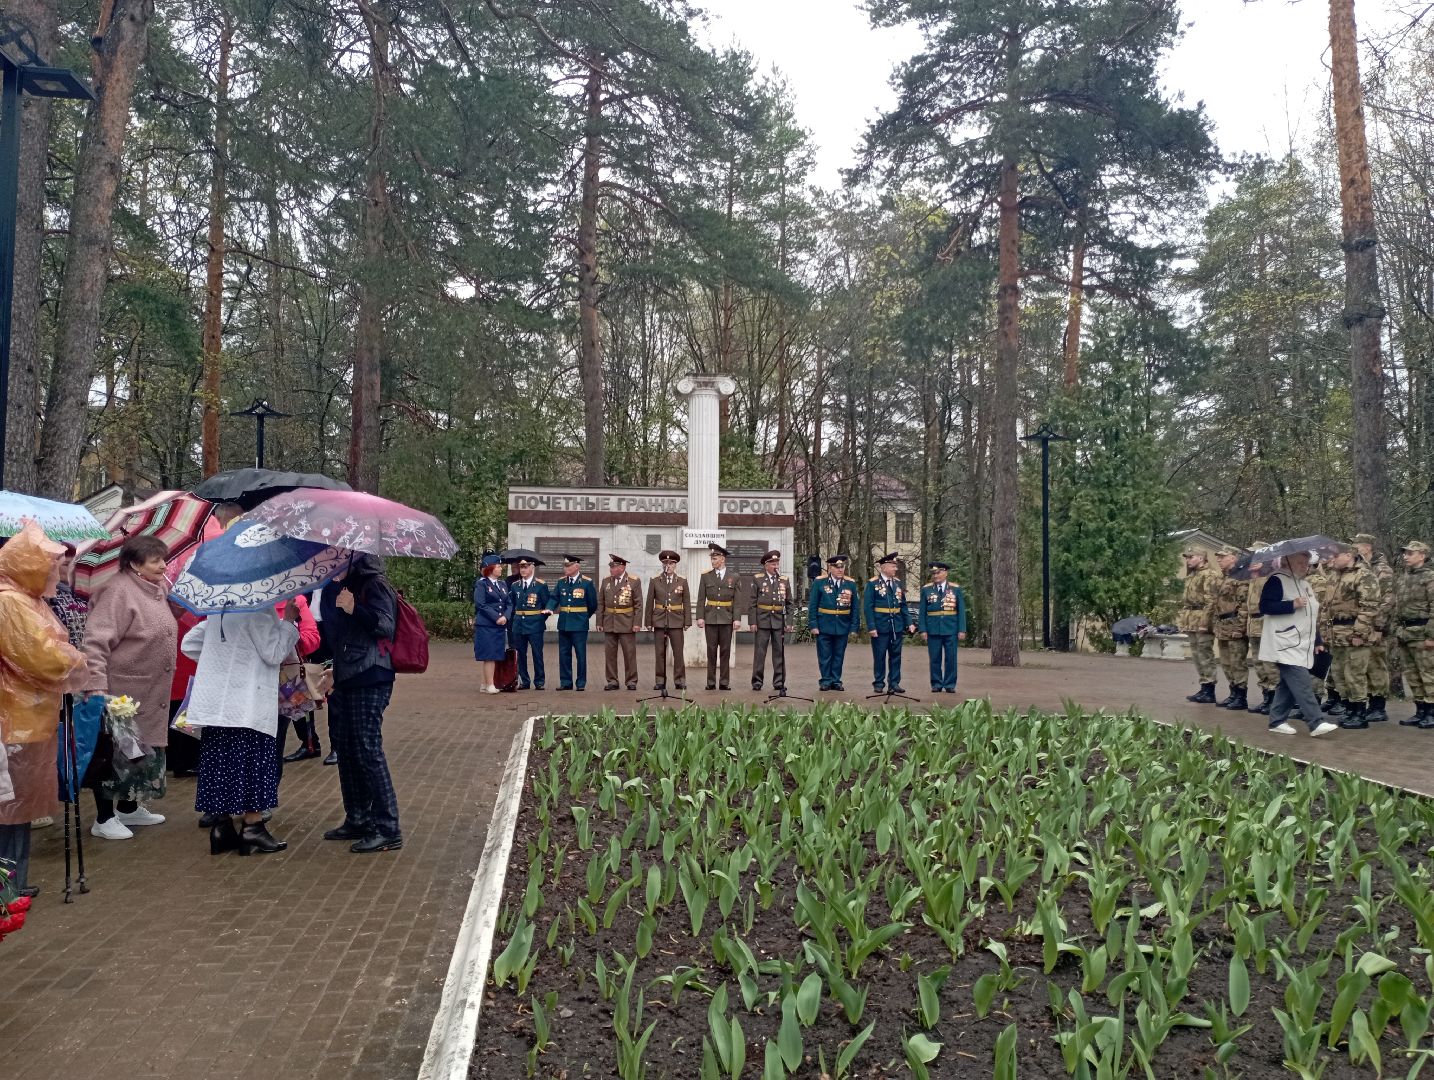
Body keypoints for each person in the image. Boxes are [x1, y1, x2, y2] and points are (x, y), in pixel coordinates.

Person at [0, 523, 85, 897]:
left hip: (27, 715)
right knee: (9, 806)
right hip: (14, 718)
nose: (56, 571)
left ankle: (14, 881)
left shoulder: (25, 598)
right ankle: (7, 885)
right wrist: (74, 659)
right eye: (50, 564)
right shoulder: (10, 602)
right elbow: (41, 657)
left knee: (18, 806)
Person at [183, 602, 302, 855]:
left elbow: (189, 643)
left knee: (221, 763)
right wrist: (289, 622)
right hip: (247, 702)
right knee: (253, 762)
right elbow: (273, 653)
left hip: (217, 705)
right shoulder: (258, 607)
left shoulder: (218, 609)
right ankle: (253, 827)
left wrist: (221, 660)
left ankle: (221, 828)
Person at [81, 534, 179, 840]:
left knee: (138, 751)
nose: (163, 565)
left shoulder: (157, 588)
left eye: (163, 559)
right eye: (156, 560)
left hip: (149, 690)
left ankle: (127, 806)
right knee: (115, 752)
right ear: (135, 564)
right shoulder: (117, 591)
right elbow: (95, 643)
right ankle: (104, 816)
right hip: (121, 689)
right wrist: (96, 686)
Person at [320, 553, 404, 853]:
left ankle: (388, 827)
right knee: (347, 746)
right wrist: (335, 669)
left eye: (339, 554)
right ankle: (358, 817)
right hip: (349, 675)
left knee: (368, 748)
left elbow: (384, 627)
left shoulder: (375, 584)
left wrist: (355, 608)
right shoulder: (345, 586)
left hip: (372, 675)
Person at [1258, 549, 1339, 737]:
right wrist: (1291, 604)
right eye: (1302, 563)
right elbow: (1265, 606)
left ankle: (1277, 721)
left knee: (1287, 684)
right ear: (1288, 562)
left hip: (1301, 642)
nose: (1306, 567)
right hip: (1283, 642)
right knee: (1302, 682)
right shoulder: (1276, 580)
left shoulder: (1305, 584)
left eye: (1307, 563)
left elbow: (1310, 615)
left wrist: (1317, 640)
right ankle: (1316, 722)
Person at [1319, 547, 1382, 730]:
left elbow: (1369, 606)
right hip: (1336, 633)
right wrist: (1324, 631)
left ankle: (1360, 712)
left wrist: (1359, 633)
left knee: (1355, 674)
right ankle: (1349, 708)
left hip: (1354, 632)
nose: (1333, 558)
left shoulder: (1364, 575)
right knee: (1339, 674)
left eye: (1336, 555)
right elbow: (1326, 607)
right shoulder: (1334, 576)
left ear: (1349, 555)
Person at [1351, 532, 1395, 722]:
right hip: (1363, 625)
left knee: (1377, 665)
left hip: (1376, 626)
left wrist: (1378, 627)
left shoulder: (1382, 570)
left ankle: (1378, 706)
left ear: (1367, 547)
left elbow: (1387, 600)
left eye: (1357, 545)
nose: (1354, 548)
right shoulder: (1361, 568)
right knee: (1365, 666)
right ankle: (1369, 702)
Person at [1392, 540, 1434, 729]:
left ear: (1422, 556)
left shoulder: (1430, 577)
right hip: (1405, 633)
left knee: (1428, 674)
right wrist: (1396, 629)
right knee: (1412, 674)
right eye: (1405, 553)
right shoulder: (1403, 578)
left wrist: (1431, 636)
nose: (1405, 556)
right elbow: (1397, 606)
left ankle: (1431, 712)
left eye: (1410, 553)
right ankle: (1420, 711)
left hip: (1422, 632)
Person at [864, 552, 915, 694]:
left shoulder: (897, 583)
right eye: (893, 566)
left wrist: (909, 622)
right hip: (880, 626)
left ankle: (894, 683)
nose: (895, 569)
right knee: (879, 656)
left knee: (896, 656)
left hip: (896, 625)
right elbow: (868, 607)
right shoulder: (873, 583)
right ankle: (879, 683)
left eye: (895, 566)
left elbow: (902, 605)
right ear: (884, 567)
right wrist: (871, 626)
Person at [1177, 547, 1221, 704]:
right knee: (1196, 655)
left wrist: (1205, 622)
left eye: (1191, 557)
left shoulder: (1210, 575)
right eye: (1187, 557)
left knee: (1205, 654)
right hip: (1192, 618)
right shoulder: (1192, 575)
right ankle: (1203, 687)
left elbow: (1211, 601)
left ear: (1201, 558)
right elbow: (1186, 602)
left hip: (1202, 617)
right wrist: (1184, 621)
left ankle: (1210, 689)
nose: (1188, 560)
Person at [745, 551, 792, 692]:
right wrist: (752, 622)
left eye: (777, 563)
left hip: (778, 620)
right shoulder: (758, 579)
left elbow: (789, 603)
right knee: (760, 653)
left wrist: (789, 621)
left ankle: (779, 681)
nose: (775, 566)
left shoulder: (783, 580)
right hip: (762, 620)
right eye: (773, 564)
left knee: (779, 652)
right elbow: (752, 602)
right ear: (766, 565)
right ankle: (757, 681)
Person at [808, 554, 857, 691]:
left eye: (842, 567)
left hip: (842, 625)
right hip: (824, 624)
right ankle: (825, 680)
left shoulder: (850, 583)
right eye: (837, 567)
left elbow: (854, 607)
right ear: (830, 568)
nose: (840, 570)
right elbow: (813, 605)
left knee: (839, 655)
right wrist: (813, 624)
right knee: (824, 655)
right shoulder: (820, 582)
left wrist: (854, 627)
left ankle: (836, 680)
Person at [1243, 541, 1281, 715]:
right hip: (1254, 624)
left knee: (1270, 664)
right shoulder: (1253, 578)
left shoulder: (1273, 577)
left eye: (1257, 554)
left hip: (1267, 623)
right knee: (1258, 664)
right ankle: (1266, 696)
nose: (1253, 558)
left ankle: (1276, 699)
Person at [644, 550, 690, 691]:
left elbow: (686, 602)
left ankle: (680, 680)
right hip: (659, 620)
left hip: (676, 620)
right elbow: (649, 601)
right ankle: (660, 680)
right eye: (665, 563)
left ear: (675, 565)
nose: (668, 566)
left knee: (678, 652)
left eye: (671, 563)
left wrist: (687, 621)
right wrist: (648, 622)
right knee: (660, 652)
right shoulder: (655, 580)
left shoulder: (682, 580)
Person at [695, 543, 739, 690]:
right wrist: (700, 617)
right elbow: (701, 598)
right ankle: (711, 682)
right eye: (712, 558)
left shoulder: (734, 576)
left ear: (723, 559)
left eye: (715, 558)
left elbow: (737, 601)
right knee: (711, 651)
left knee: (725, 652)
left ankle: (724, 682)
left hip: (726, 618)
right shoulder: (706, 576)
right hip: (711, 618)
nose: (712, 561)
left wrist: (737, 619)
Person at [1211, 548, 1251, 710]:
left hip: (1234, 623)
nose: (1219, 560)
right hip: (1223, 625)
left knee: (1237, 662)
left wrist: (1240, 627)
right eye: (1218, 557)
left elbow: (1243, 604)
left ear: (1233, 557)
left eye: (1222, 557)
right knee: (1226, 662)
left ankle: (1241, 696)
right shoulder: (1223, 578)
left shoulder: (1241, 576)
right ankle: (1233, 692)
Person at [550, 554, 596, 691]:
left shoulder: (587, 582)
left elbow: (592, 604)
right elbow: (554, 598)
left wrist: (583, 617)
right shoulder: (561, 582)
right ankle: (566, 682)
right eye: (565, 565)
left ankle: (581, 683)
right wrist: (548, 608)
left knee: (580, 654)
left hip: (579, 624)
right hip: (564, 623)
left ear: (577, 566)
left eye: (568, 565)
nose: (566, 568)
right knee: (564, 654)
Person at [919, 561, 966, 694]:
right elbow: (922, 611)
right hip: (933, 628)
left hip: (951, 628)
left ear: (945, 573)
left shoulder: (955, 589)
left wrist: (962, 629)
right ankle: (936, 683)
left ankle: (950, 684)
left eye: (938, 572)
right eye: (933, 573)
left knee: (951, 657)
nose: (935, 575)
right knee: (934, 658)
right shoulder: (926, 589)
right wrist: (923, 629)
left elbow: (961, 610)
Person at [598, 554, 641, 691]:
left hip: (627, 622)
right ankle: (612, 681)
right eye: (611, 566)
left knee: (629, 653)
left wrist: (637, 623)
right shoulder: (606, 581)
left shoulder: (633, 581)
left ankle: (631, 680)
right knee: (610, 654)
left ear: (622, 567)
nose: (611, 569)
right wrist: (600, 621)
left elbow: (638, 604)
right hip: (609, 621)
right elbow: (601, 603)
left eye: (614, 566)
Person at [472, 552, 513, 694]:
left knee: (495, 654)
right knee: (489, 655)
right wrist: (496, 617)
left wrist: (506, 617)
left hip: (500, 625)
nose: (501, 569)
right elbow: (481, 604)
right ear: (490, 568)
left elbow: (509, 603)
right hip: (487, 625)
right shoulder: (481, 584)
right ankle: (490, 684)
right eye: (498, 566)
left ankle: (485, 684)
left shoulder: (502, 584)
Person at [508, 558, 550, 690]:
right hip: (519, 625)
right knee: (520, 654)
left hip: (535, 625)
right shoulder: (515, 586)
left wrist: (539, 619)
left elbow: (546, 605)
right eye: (521, 567)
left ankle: (539, 681)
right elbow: (512, 605)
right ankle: (524, 681)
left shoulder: (540, 585)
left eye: (525, 567)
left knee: (537, 654)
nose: (523, 570)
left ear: (532, 567)